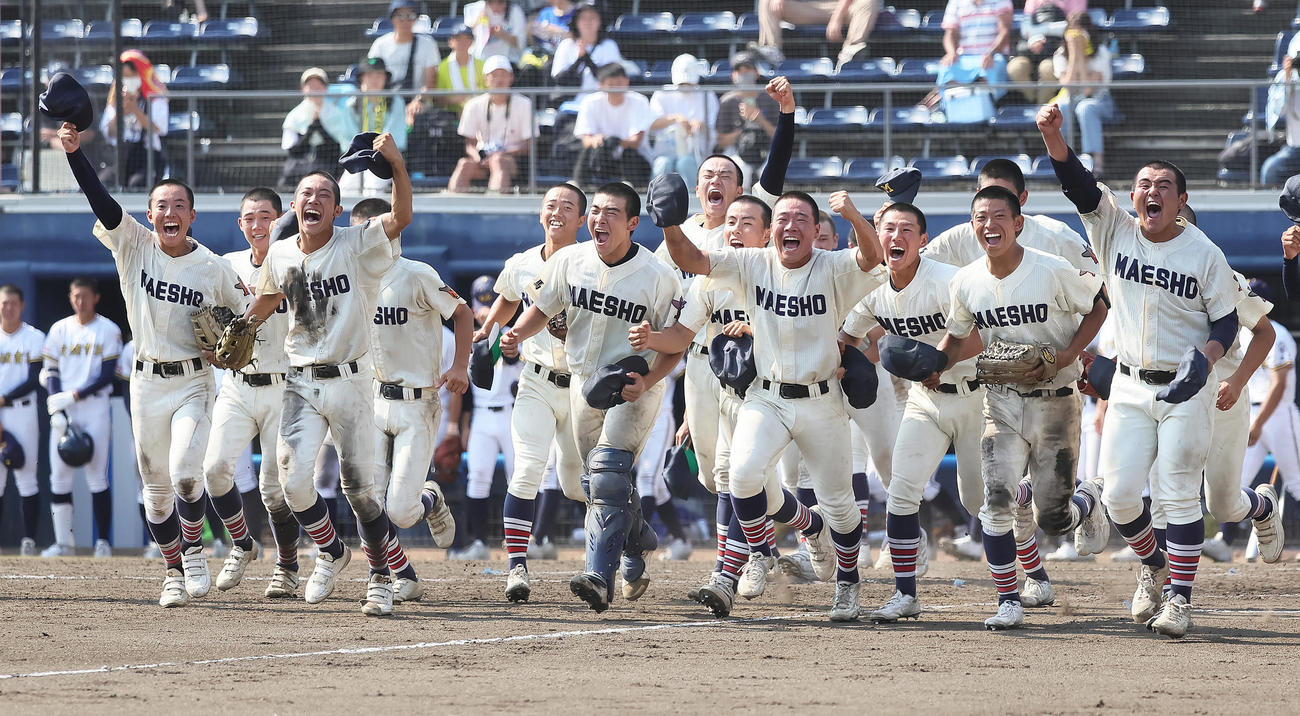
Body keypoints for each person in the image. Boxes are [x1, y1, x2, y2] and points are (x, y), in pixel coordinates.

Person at [1039, 103, 1283, 638]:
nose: (1152, 190)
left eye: (1164, 184)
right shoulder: (1114, 230)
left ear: (1182, 200)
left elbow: (1227, 324)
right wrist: (1054, 138)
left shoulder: (1206, 253)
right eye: (1144, 183)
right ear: (1132, 197)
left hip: (1190, 387)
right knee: (1122, 494)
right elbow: (1078, 186)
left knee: (1181, 494)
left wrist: (1216, 363)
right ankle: (1153, 565)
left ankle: (1181, 600)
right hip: (1128, 383)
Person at [657, 182, 889, 622]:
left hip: (821, 399)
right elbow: (692, 260)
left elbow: (871, 258)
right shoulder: (752, 262)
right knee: (742, 475)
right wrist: (669, 223)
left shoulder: (831, 266)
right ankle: (761, 552)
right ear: (771, 230)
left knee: (838, 502)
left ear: (816, 228)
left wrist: (856, 218)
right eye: (782, 217)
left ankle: (847, 584)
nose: (790, 225)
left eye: (802, 218)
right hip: (768, 396)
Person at [59, 122, 254, 607]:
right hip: (145, 381)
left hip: (193, 380)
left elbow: (248, 314)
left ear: (192, 216)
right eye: (161, 205)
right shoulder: (134, 245)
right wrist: (75, 155)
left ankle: (192, 549)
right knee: (156, 490)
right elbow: (100, 202)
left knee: (188, 472)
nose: (170, 212)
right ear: (149, 214)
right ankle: (172, 570)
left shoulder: (214, 267)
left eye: (179, 206)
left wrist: (235, 338)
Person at [238, 134, 415, 617]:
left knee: (360, 491)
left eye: (325, 195)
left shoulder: (355, 245)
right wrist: (243, 325)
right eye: (306, 194)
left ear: (337, 210)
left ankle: (380, 578)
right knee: (292, 483)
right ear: (292, 207)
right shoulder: (279, 254)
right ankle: (333, 550)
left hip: (353, 380)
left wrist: (397, 166)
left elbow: (400, 218)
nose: (314, 199)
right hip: (300, 380)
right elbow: (271, 295)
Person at [500, 182, 685, 613]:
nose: (599, 219)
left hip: (634, 385)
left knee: (606, 473)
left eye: (611, 213)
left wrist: (651, 374)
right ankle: (638, 539)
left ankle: (599, 577)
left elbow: (677, 342)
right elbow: (543, 308)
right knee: (586, 483)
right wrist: (515, 334)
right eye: (596, 211)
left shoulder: (658, 276)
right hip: (583, 382)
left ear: (634, 223)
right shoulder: (570, 260)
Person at [933, 187, 1111, 630]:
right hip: (1001, 402)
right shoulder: (965, 281)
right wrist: (937, 364)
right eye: (980, 217)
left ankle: (1088, 501)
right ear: (971, 224)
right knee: (996, 503)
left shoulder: (1052, 270)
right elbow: (959, 336)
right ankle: (1008, 599)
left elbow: (1099, 307)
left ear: (1018, 223)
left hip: (1056, 402)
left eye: (998, 216)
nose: (988, 224)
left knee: (1053, 519)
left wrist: (1068, 357)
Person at [630, 195, 775, 617]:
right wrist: (650, 340)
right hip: (712, 378)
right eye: (731, 221)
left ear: (766, 233)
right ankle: (802, 529)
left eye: (747, 222)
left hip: (770, 392)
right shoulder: (710, 280)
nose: (736, 229)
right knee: (720, 479)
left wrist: (758, 328)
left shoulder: (780, 274)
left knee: (735, 474)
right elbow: (680, 335)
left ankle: (723, 574)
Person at [475, 183, 589, 601]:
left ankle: (622, 543)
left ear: (583, 219)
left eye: (568, 206)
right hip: (537, 380)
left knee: (577, 484)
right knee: (526, 471)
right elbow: (506, 296)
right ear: (540, 214)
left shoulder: (591, 262)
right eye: (550, 205)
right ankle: (517, 568)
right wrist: (488, 330)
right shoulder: (522, 262)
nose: (557, 212)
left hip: (580, 384)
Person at [360, 197, 470, 600]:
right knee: (366, 498)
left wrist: (460, 365)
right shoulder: (350, 276)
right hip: (371, 398)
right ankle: (392, 575)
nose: (369, 240)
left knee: (400, 511)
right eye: (361, 233)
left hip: (417, 400)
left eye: (376, 230)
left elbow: (462, 313)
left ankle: (429, 496)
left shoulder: (417, 274)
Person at [195, 188, 299, 597]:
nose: (257, 226)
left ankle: (287, 567)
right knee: (214, 469)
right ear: (239, 224)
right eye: (250, 218)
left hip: (284, 385)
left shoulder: (296, 264)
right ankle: (242, 542)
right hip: (236, 385)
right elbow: (208, 315)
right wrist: (211, 346)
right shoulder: (227, 265)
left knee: (275, 487)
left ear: (280, 222)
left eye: (266, 217)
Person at [41, 278, 123, 559]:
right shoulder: (59, 329)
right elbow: (50, 371)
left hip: (93, 407)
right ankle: (64, 542)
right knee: (59, 477)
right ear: (70, 297)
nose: (80, 302)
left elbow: (107, 374)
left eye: (85, 296)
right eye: (76, 296)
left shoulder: (108, 329)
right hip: (66, 409)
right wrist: (57, 407)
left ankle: (102, 541)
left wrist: (72, 396)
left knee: (96, 476)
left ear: (96, 298)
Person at [452, 275, 523, 560]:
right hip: (482, 415)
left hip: (510, 413)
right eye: (480, 304)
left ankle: (519, 542)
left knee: (518, 478)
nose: (484, 309)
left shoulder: (510, 334)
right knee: (478, 477)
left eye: (489, 304)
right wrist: (461, 425)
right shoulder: (466, 335)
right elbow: (465, 384)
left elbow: (508, 359)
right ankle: (478, 541)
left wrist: (491, 326)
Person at [921, 158, 1098, 272]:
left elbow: (1101, 284)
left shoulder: (1056, 235)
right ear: (977, 196)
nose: (996, 202)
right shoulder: (957, 239)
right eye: (988, 194)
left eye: (1005, 195)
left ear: (1022, 198)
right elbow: (912, 267)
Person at [0, 284, 45, 556]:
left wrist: (4, 399)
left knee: (26, 476)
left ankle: (28, 540)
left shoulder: (34, 337)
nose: (8, 308)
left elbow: (33, 380)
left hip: (21, 411)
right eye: (4, 303)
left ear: (22, 305)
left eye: (13, 303)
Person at [448, 56, 534, 194]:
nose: (499, 79)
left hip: (513, 160)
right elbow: (469, 143)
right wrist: (478, 157)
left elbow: (529, 144)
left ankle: (494, 209)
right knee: (464, 164)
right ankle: (451, 209)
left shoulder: (525, 104)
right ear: (485, 80)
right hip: (482, 159)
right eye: (494, 75)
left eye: (503, 75)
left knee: (498, 161)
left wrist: (500, 154)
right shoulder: (473, 105)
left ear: (511, 78)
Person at [1053, 13, 1115, 178]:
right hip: (1072, 99)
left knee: (1086, 108)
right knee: (1063, 106)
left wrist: (1081, 55)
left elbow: (1088, 90)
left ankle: (1096, 162)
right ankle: (1062, 161)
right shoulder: (1060, 54)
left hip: (1100, 101)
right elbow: (1069, 87)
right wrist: (1073, 54)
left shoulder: (1101, 52)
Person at [572, 63, 653, 187]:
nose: (616, 88)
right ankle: (580, 186)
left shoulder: (640, 101)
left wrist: (616, 142)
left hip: (633, 161)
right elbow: (586, 140)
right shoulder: (589, 102)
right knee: (588, 151)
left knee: (629, 153)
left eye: (619, 83)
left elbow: (636, 141)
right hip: (601, 157)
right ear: (601, 85)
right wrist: (597, 140)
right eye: (611, 84)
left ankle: (630, 187)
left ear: (627, 81)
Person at [99, 49, 169, 188]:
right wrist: (121, 110)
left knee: (136, 184)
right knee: (103, 183)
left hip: (147, 158)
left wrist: (135, 109)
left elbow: (158, 129)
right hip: (121, 156)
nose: (126, 80)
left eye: (129, 75)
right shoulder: (115, 99)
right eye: (123, 76)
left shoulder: (156, 98)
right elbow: (109, 132)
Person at [649, 55, 719, 187]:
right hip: (665, 150)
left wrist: (699, 125)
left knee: (685, 162)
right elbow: (652, 125)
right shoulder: (661, 93)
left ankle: (693, 198)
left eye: (689, 83)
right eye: (682, 84)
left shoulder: (708, 95)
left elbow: (711, 128)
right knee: (663, 164)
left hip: (695, 152)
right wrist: (675, 119)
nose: (685, 86)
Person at [340, 57, 407, 195]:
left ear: (385, 79)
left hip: (386, 157)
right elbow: (348, 139)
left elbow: (395, 138)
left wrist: (374, 152)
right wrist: (363, 153)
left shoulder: (396, 102)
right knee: (344, 190)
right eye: (369, 75)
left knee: (373, 189)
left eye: (379, 75)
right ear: (361, 79)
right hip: (358, 157)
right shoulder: (350, 104)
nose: (374, 79)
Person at [280, 67, 352, 190]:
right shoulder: (294, 116)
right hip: (300, 167)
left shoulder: (337, 114)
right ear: (303, 89)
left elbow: (340, 147)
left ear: (325, 89)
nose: (315, 89)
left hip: (329, 165)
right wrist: (312, 128)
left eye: (319, 85)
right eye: (310, 86)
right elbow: (292, 149)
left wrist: (319, 126)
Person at [369, 0, 441, 123]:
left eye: (410, 16)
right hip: (387, 101)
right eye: (400, 15)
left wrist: (417, 102)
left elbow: (430, 82)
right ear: (392, 18)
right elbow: (372, 77)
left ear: (416, 19)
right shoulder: (380, 45)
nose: (405, 20)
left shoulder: (428, 44)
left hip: (418, 103)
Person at [716, 52, 781, 185]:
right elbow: (721, 142)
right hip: (737, 151)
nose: (744, 74)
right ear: (732, 75)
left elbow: (780, 138)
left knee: (772, 170)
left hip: (767, 151)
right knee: (738, 170)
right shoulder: (727, 101)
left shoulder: (770, 99)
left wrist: (760, 120)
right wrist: (743, 126)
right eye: (739, 71)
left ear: (756, 72)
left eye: (748, 70)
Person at [758, 0, 884, 68]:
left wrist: (836, 18)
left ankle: (851, 50)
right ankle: (771, 49)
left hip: (841, 8)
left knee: (869, 1)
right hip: (808, 8)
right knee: (767, 1)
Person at [938, 0, 1013, 94]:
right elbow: (950, 34)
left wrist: (991, 53)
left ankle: (990, 106)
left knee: (990, 68)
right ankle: (949, 107)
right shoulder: (955, 2)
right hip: (964, 57)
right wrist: (951, 53)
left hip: (994, 57)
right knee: (946, 67)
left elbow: (1004, 32)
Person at [550, 5, 623, 93]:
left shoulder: (609, 45)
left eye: (592, 18)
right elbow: (559, 80)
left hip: (602, 100)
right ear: (576, 22)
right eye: (583, 18)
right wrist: (579, 60)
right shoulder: (566, 45)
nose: (588, 22)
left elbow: (612, 80)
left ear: (600, 21)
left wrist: (586, 58)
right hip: (571, 103)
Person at [1263, 36, 1300, 185]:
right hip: (1295, 150)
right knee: (1270, 170)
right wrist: (1287, 78)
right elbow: (1278, 111)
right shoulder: (1284, 79)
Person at [434, 24, 486, 115]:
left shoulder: (482, 65)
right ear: (450, 42)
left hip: (480, 112)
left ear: (472, 42)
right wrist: (451, 100)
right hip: (451, 116)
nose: (463, 42)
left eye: (467, 38)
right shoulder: (442, 67)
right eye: (458, 38)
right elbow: (437, 99)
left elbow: (488, 93)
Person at [465, 0, 527, 64]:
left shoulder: (516, 11)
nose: (495, 6)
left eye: (500, 2)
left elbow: (520, 45)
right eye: (490, 2)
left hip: (507, 63)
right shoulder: (476, 8)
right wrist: (479, 20)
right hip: (479, 61)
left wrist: (503, 34)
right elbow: (463, 38)